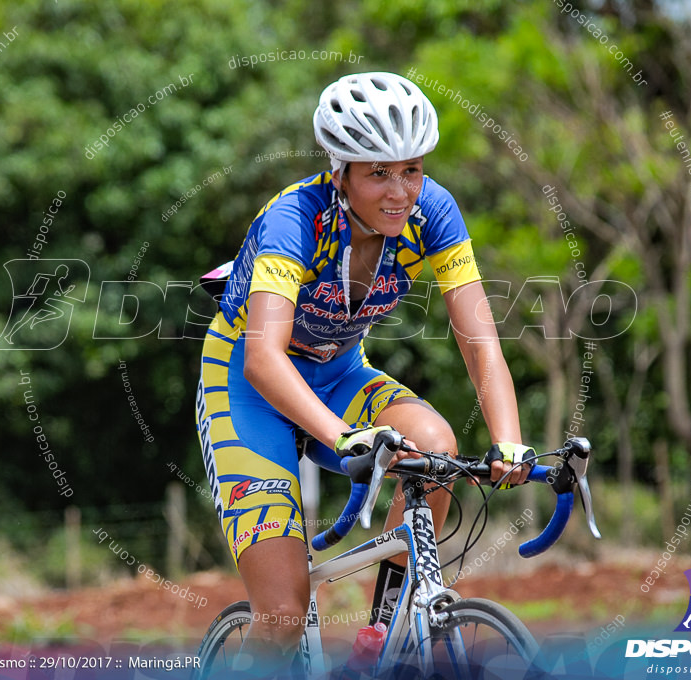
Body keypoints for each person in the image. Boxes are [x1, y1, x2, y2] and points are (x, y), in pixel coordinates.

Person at [195, 71, 533, 673]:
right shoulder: (294, 220)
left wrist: (509, 439)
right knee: (280, 616)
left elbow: (481, 345)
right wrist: (341, 436)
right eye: (378, 172)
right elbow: (263, 359)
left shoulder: (434, 212)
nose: (400, 191)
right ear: (341, 172)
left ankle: (381, 637)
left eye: (412, 169)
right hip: (248, 386)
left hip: (339, 373)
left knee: (433, 447)